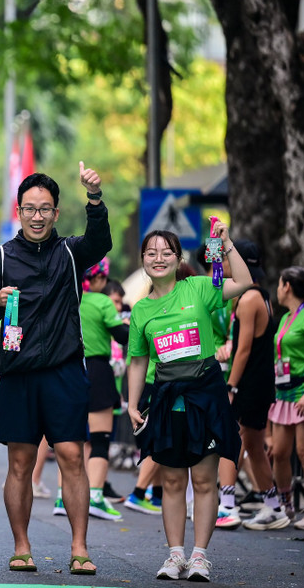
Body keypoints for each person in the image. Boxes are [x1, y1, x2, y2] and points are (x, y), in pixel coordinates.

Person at [0, 164, 110, 575]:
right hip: (17, 374)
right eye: (30, 208)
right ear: (18, 211)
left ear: (56, 213)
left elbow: (100, 242)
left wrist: (96, 198)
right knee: (20, 462)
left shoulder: (70, 252)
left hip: (64, 371)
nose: (37, 216)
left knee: (71, 455)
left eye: (45, 209)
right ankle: (22, 546)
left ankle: (80, 548)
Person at [127, 226, 249, 582]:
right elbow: (137, 361)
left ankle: (199, 557)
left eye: (166, 252)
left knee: (205, 480)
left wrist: (225, 245)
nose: (159, 258)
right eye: (151, 253)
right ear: (143, 260)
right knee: (172, 481)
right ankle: (175, 556)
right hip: (166, 402)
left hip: (204, 398)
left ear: (179, 259)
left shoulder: (198, 288)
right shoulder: (141, 312)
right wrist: (134, 403)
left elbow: (242, 281)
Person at [245, 266, 304, 531]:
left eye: (280, 284)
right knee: (280, 453)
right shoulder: (284, 319)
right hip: (283, 392)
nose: (278, 289)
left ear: (286, 287)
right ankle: (285, 506)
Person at [207, 240, 277, 530]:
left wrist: (231, 387)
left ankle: (227, 505)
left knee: (228, 442)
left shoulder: (248, 300)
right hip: (259, 383)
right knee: (253, 447)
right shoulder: (260, 296)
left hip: (249, 385)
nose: (221, 264)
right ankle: (274, 507)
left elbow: (243, 349)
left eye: (224, 258)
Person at [78, 259, 129, 521]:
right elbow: (121, 335)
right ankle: (96, 496)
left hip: (70, 370)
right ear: (99, 279)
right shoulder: (101, 302)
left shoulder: (69, 299)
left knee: (73, 438)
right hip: (97, 370)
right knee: (99, 439)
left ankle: (66, 497)